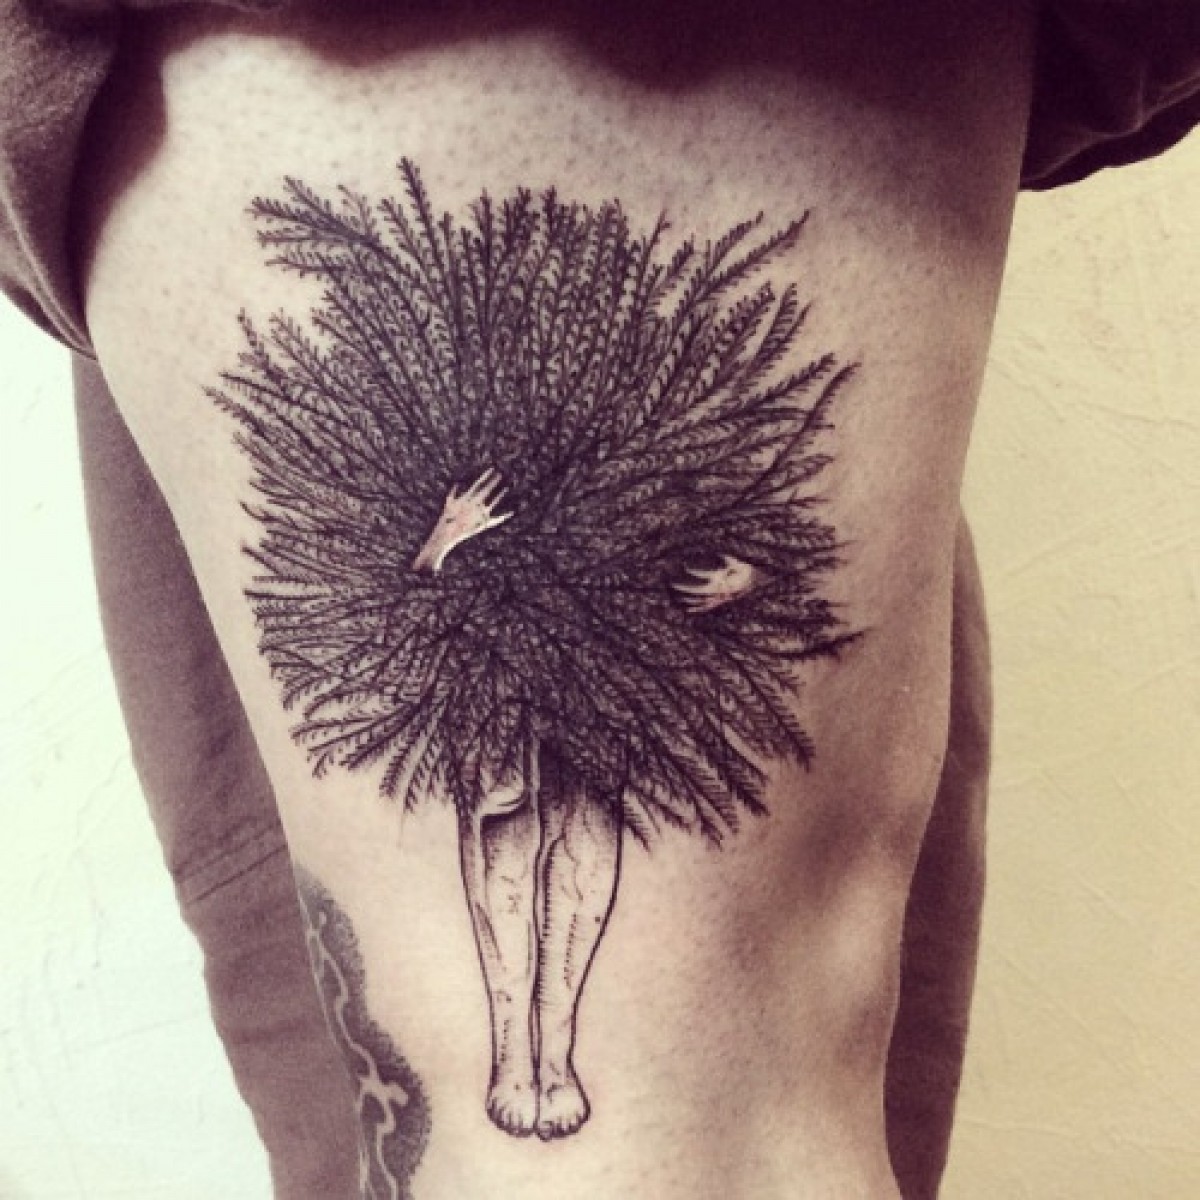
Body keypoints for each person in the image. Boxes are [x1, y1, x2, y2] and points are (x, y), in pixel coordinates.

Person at [2, 1, 1197, 1196]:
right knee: (388, 1100)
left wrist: (722, 582)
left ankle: (545, 1061)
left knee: (666, 1129)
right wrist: (451, 545)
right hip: (215, 110)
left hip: (503, 52)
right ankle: (527, 1059)